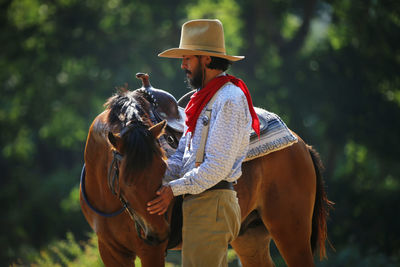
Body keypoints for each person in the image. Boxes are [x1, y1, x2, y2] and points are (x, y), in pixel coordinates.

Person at [147, 19, 260, 266]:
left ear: (207, 59)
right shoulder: (202, 100)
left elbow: (216, 168)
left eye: (188, 58)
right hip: (201, 202)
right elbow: (182, 157)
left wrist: (172, 189)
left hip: (213, 201)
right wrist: (158, 173)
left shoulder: (229, 99)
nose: (183, 65)